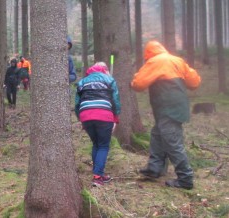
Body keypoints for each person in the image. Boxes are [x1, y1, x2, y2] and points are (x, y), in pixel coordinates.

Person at [131, 40, 201, 190]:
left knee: (173, 143)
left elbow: (138, 84)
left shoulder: (155, 61)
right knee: (157, 135)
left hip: (167, 109)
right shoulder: (177, 60)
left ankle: (185, 178)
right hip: (177, 108)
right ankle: (155, 168)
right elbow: (194, 82)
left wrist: (137, 75)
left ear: (148, 54)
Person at [75, 62, 121, 187]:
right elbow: (115, 100)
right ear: (105, 70)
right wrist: (115, 117)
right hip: (103, 114)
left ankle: (97, 172)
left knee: (96, 144)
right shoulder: (109, 79)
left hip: (85, 115)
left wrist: (81, 118)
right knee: (103, 145)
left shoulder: (82, 81)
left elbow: (77, 103)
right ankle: (98, 176)